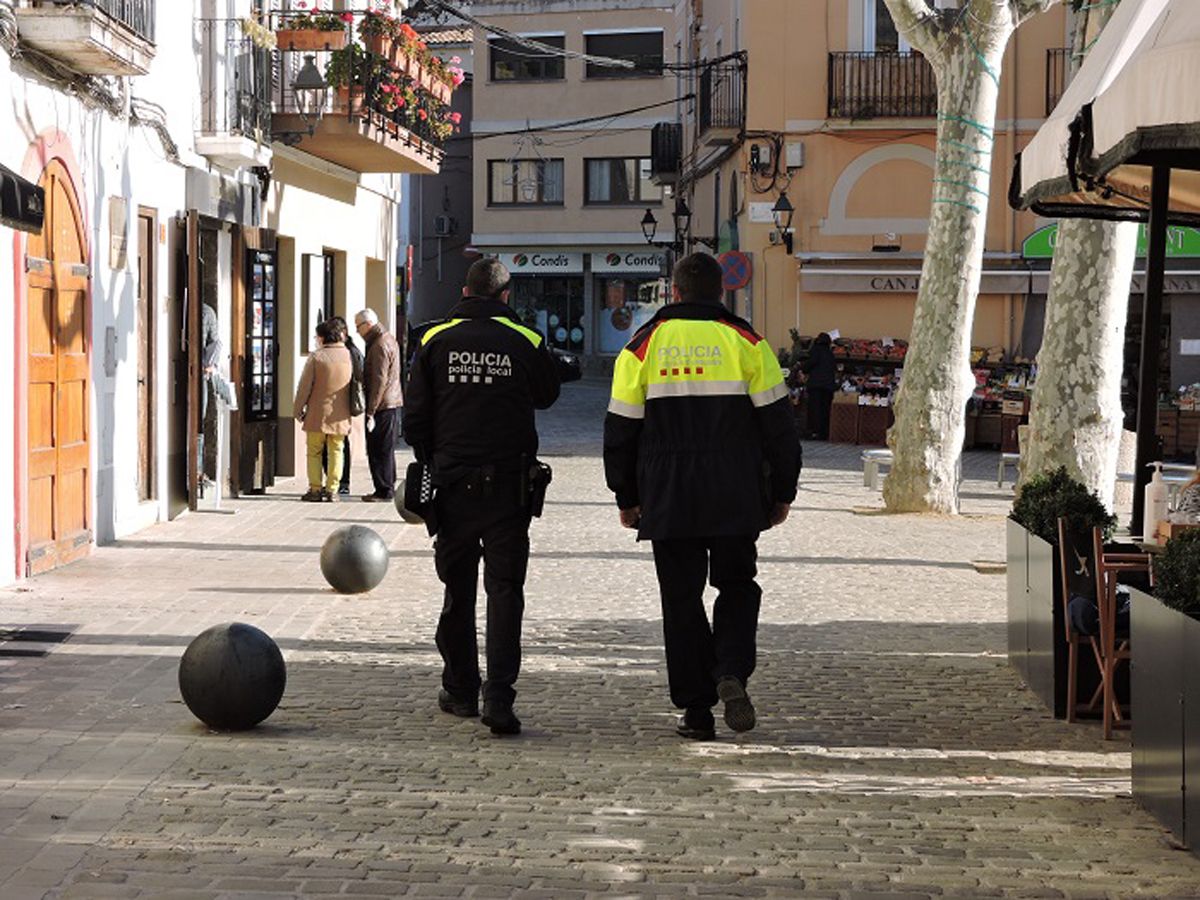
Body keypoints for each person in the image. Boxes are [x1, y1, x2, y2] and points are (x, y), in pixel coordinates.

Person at [603, 252, 802, 741]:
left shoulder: (640, 348)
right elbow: (780, 430)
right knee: (736, 585)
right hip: (736, 494)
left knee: (681, 600)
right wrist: (782, 491)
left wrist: (625, 496)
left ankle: (696, 709)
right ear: (721, 292)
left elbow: (620, 431)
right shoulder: (749, 343)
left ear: (674, 291)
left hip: (668, 496)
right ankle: (731, 668)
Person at [404, 257, 562, 736]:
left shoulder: (432, 340)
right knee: (505, 593)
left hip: (451, 487)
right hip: (509, 490)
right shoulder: (526, 340)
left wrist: (438, 456)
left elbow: (414, 422)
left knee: (458, 590)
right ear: (505, 296)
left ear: (465, 290)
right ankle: (499, 699)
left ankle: (459, 688)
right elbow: (549, 394)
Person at [294, 318, 353, 502]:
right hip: (341, 412)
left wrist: (297, 409)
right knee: (337, 450)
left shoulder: (317, 357)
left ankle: (315, 488)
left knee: (314, 451)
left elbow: (304, 387)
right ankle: (333, 489)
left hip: (317, 412)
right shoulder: (349, 355)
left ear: (322, 338)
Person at [355, 307, 404, 502]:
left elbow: (378, 380)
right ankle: (386, 487)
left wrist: (370, 411)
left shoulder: (378, 345)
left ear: (368, 325)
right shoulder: (387, 338)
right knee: (385, 448)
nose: (357, 331)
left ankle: (383, 489)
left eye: (358, 326)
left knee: (379, 449)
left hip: (383, 405)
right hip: (390, 402)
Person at [320, 316, 364, 496]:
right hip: (334, 405)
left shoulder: (350, 352)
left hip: (341, 405)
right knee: (333, 446)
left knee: (339, 445)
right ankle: (335, 481)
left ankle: (341, 482)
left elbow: (358, 377)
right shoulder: (348, 350)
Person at [801, 332, 837, 441]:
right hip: (828, 386)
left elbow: (809, 365)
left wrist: (803, 367)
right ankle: (824, 433)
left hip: (816, 385)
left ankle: (814, 432)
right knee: (825, 409)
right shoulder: (830, 354)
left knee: (815, 409)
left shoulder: (816, 350)